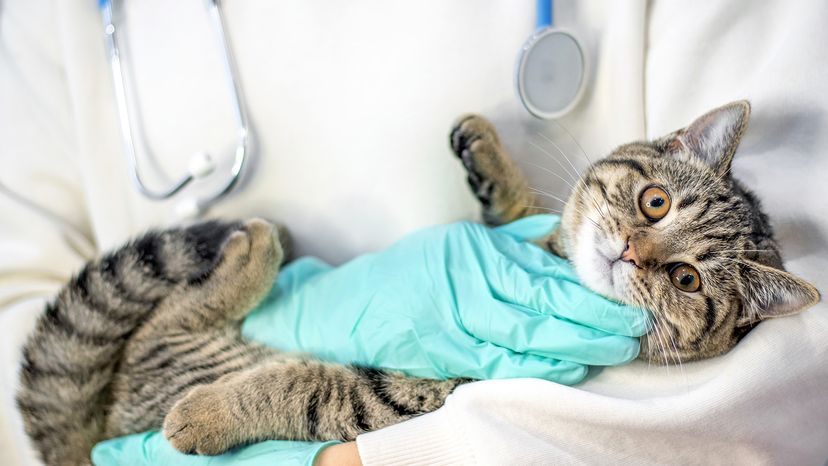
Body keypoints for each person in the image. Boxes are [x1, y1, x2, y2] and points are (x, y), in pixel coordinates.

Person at [1, 1, 827, 465]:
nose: (639, 252)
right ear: (674, 148)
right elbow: (14, 279)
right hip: (127, 390)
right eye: (652, 206)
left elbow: (793, 369)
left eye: (683, 278)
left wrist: (342, 460)